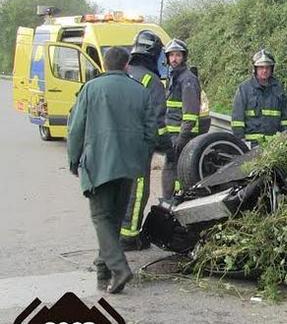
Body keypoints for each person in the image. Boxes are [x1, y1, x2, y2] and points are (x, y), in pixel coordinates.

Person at [67, 47, 155, 294]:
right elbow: (151, 133)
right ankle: (103, 270)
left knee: (100, 218)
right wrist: (139, 160)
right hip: (129, 167)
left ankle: (119, 268)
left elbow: (75, 129)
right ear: (126, 65)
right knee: (113, 219)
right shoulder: (140, 91)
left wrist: (74, 160)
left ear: (104, 65)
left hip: (99, 164)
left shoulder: (91, 89)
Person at [119, 30, 168, 251]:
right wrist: (166, 145)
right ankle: (129, 237)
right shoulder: (153, 81)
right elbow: (158, 121)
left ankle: (116, 231)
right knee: (138, 189)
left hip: (116, 143)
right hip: (138, 145)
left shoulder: (121, 73)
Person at [161, 38, 203, 197]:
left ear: (183, 57)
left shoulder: (188, 79)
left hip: (183, 134)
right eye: (171, 55)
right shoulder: (173, 77)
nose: (174, 59)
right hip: (173, 134)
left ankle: (174, 199)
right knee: (173, 167)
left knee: (175, 169)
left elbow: (191, 112)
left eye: (178, 55)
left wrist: (182, 137)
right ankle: (172, 198)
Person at [231, 49, 287, 147]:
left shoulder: (279, 89)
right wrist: (241, 142)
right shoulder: (244, 89)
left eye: (267, 67)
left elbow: (285, 118)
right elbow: (237, 119)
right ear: (255, 69)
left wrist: (285, 138)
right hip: (251, 144)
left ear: (272, 69)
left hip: (274, 145)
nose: (265, 70)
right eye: (261, 67)